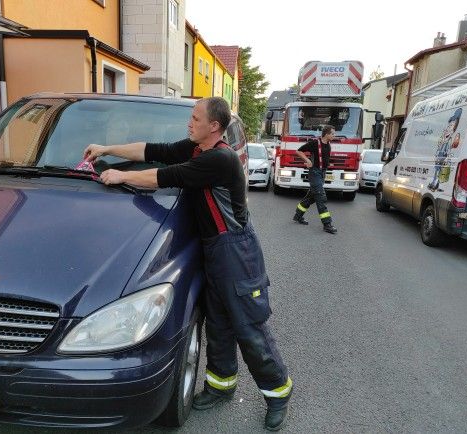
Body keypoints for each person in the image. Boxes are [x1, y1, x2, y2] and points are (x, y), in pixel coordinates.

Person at [83, 97, 292, 431]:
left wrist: (120, 176)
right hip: (214, 250)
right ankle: (221, 386)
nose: (189, 123)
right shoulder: (196, 149)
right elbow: (152, 150)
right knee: (218, 323)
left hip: (236, 252)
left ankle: (278, 393)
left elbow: (165, 176)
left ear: (214, 126)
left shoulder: (219, 159)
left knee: (248, 326)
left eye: (195, 118)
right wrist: (107, 148)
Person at [292, 125, 338, 234]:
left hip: (322, 173)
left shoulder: (328, 145)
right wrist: (307, 160)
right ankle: (327, 224)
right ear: (326, 134)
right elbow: (299, 151)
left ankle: (298, 215)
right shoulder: (314, 143)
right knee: (321, 197)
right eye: (332, 133)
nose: (334, 135)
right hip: (314, 173)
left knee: (311, 197)